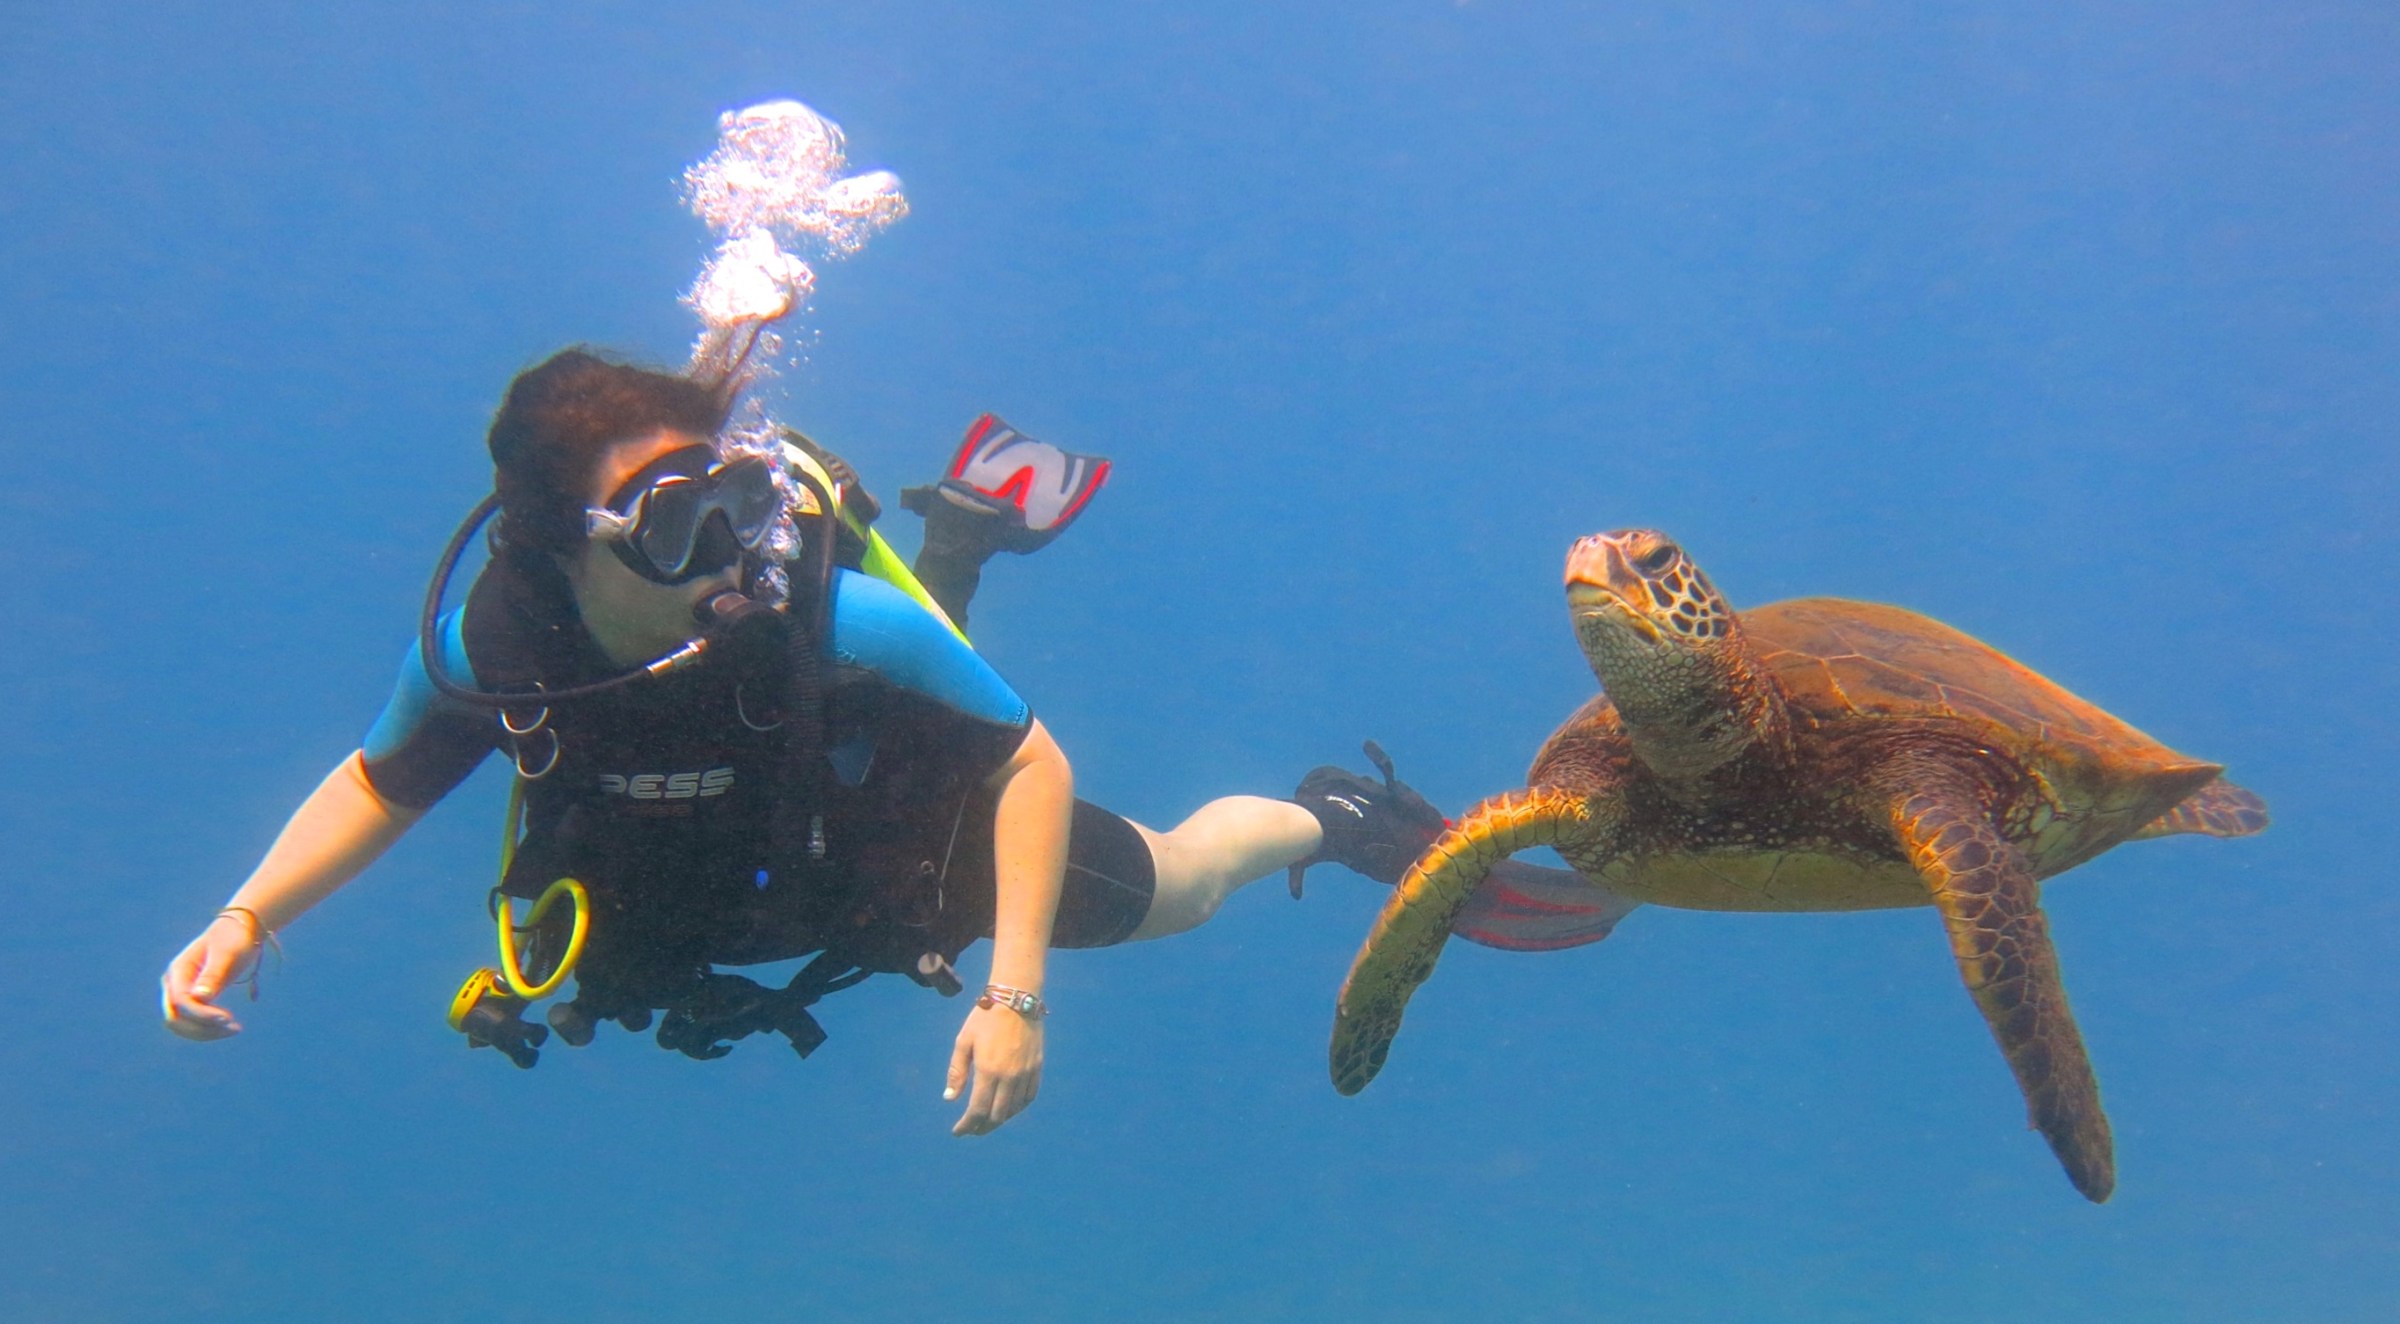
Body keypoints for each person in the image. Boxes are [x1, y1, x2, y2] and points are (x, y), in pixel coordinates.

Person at [159, 349, 1444, 1134]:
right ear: (562, 548)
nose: (730, 550)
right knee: (904, 670)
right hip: (698, 900)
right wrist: (249, 916)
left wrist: (1015, 995)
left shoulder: (823, 612)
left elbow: (1026, 761)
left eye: (734, 497)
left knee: (1177, 886)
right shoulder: (489, 649)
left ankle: (1336, 819)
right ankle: (964, 542)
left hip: (901, 843)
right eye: (678, 523)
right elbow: (379, 784)